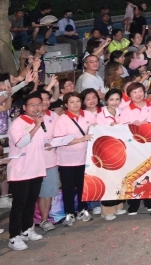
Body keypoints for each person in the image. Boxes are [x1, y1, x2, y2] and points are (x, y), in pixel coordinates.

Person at [6, 95, 50, 250]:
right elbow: (21, 143)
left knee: (31, 202)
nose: (36, 107)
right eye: (32, 105)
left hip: (36, 168)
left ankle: (27, 229)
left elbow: (41, 143)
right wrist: (37, 126)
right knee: (19, 204)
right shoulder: (18, 124)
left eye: (38, 104)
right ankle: (13, 237)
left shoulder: (38, 122)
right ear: (24, 107)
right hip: (20, 170)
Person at [50, 93, 93, 225]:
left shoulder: (89, 115)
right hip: (66, 160)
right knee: (68, 188)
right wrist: (81, 139)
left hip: (85, 158)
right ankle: (69, 212)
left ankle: (83, 209)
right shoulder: (62, 119)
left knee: (83, 186)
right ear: (66, 104)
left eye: (78, 101)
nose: (75, 104)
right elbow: (59, 140)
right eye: (72, 102)